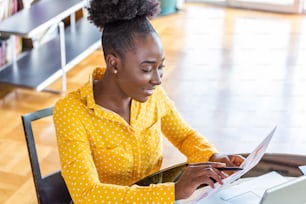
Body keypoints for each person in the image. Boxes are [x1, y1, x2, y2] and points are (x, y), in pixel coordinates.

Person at [53, 0, 245, 203]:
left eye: (160, 66)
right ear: (113, 63)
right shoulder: (71, 113)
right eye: (146, 69)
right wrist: (174, 192)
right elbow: (87, 195)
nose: (157, 79)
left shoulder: (152, 95)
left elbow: (184, 137)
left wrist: (213, 158)